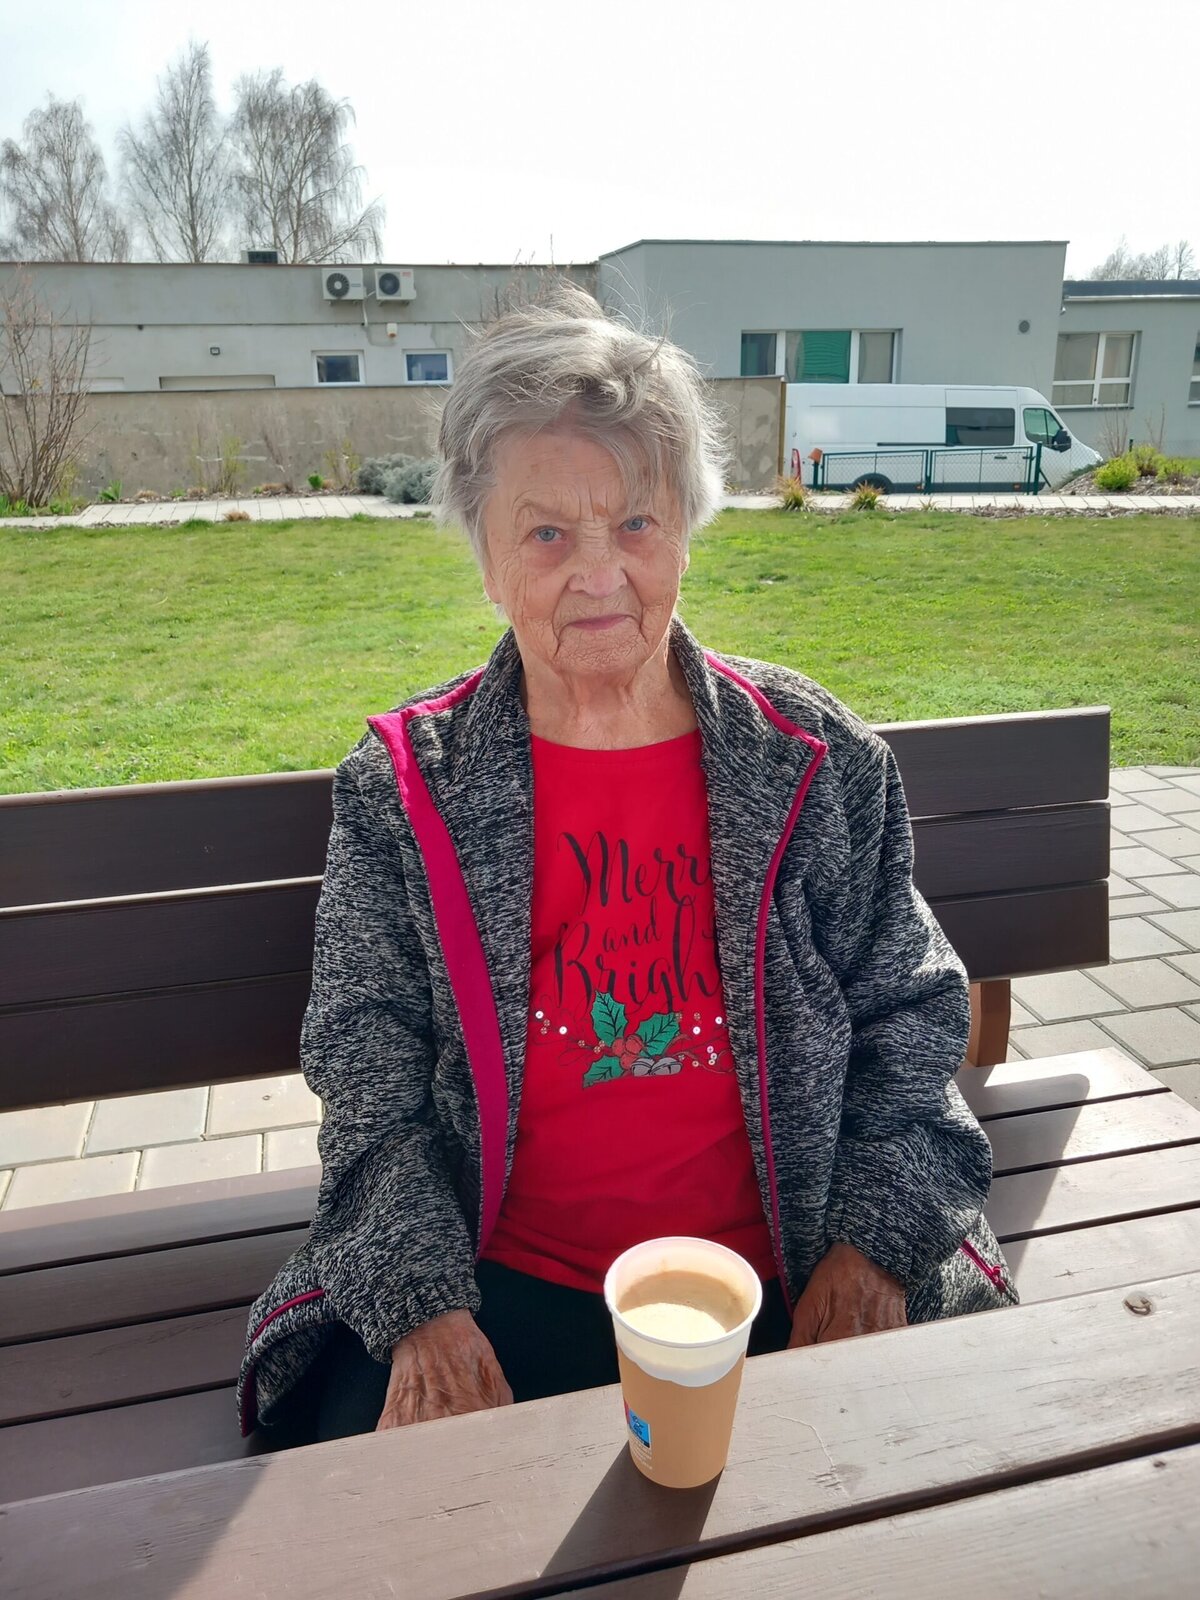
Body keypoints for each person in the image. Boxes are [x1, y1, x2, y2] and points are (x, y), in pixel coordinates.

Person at [237, 285, 1016, 1445]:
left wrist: (872, 1245)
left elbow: (909, 1016)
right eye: (548, 533)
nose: (600, 573)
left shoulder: (815, 758)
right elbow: (369, 1079)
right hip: (496, 1276)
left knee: (960, 1468)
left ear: (686, 529)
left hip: (787, 1262)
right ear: (486, 558)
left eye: (637, 523)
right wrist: (423, 1308)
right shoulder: (406, 790)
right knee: (360, 1495)